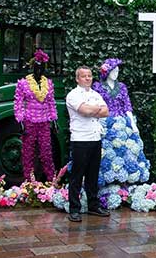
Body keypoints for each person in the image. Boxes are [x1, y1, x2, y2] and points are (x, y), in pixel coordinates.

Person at [92, 58, 150, 187]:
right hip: (104, 120)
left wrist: (133, 124)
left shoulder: (122, 87)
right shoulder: (98, 87)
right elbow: (95, 106)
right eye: (114, 70)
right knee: (104, 151)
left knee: (128, 150)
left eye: (118, 70)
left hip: (122, 121)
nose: (116, 73)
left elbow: (127, 106)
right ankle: (103, 182)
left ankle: (124, 182)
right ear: (107, 72)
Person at [65, 66, 110, 222]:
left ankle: (93, 205)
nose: (87, 78)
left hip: (95, 138)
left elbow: (106, 111)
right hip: (80, 139)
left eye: (90, 76)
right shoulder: (73, 95)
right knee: (77, 175)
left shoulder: (96, 94)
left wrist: (93, 110)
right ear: (77, 79)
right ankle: (74, 208)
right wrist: (95, 109)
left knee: (93, 175)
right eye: (84, 76)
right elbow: (84, 111)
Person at [14, 49, 57, 181]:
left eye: (42, 68)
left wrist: (54, 119)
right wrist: (20, 120)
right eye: (37, 67)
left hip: (44, 123)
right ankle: (29, 181)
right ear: (33, 67)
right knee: (28, 153)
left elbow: (51, 102)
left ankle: (52, 180)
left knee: (46, 152)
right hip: (29, 121)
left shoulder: (48, 84)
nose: (39, 70)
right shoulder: (23, 83)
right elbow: (18, 103)